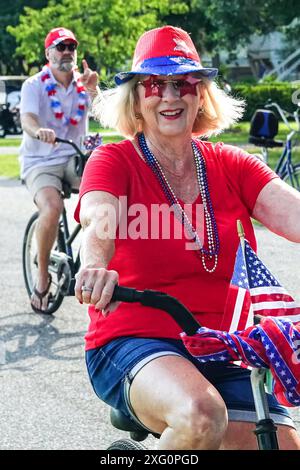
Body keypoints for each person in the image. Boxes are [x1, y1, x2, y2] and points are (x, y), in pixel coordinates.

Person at [74, 25, 300, 450]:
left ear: (201, 95)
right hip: (133, 337)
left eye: (184, 83)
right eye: (155, 84)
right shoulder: (114, 159)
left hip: (221, 344)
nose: (171, 95)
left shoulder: (231, 164)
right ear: (138, 98)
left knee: (283, 446)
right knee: (200, 415)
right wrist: (95, 266)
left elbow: (293, 213)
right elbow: (97, 219)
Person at [20, 27, 99, 313]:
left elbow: (105, 112)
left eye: (71, 47)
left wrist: (94, 90)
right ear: (48, 53)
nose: (66, 52)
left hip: (74, 157)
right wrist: (37, 130)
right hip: (40, 160)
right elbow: (27, 117)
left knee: (106, 198)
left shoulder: (83, 84)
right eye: (60, 47)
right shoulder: (34, 85)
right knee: (52, 208)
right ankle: (42, 277)